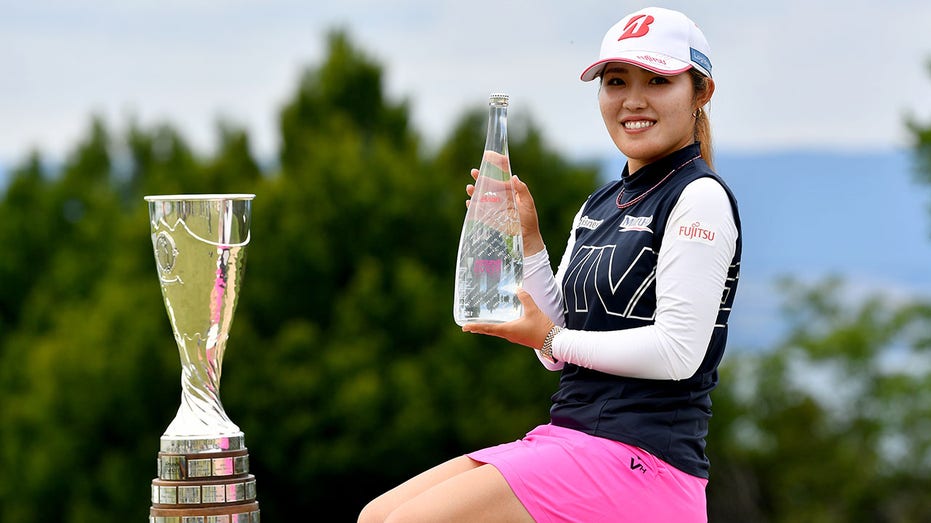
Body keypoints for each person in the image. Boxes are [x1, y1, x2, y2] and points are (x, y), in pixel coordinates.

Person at [358, 6, 741, 522]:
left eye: (657, 80)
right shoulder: (600, 205)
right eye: (615, 81)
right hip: (572, 439)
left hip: (646, 461)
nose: (632, 100)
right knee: (375, 516)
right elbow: (556, 354)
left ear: (701, 93)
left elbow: (677, 353)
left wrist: (549, 338)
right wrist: (531, 243)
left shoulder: (699, 198)